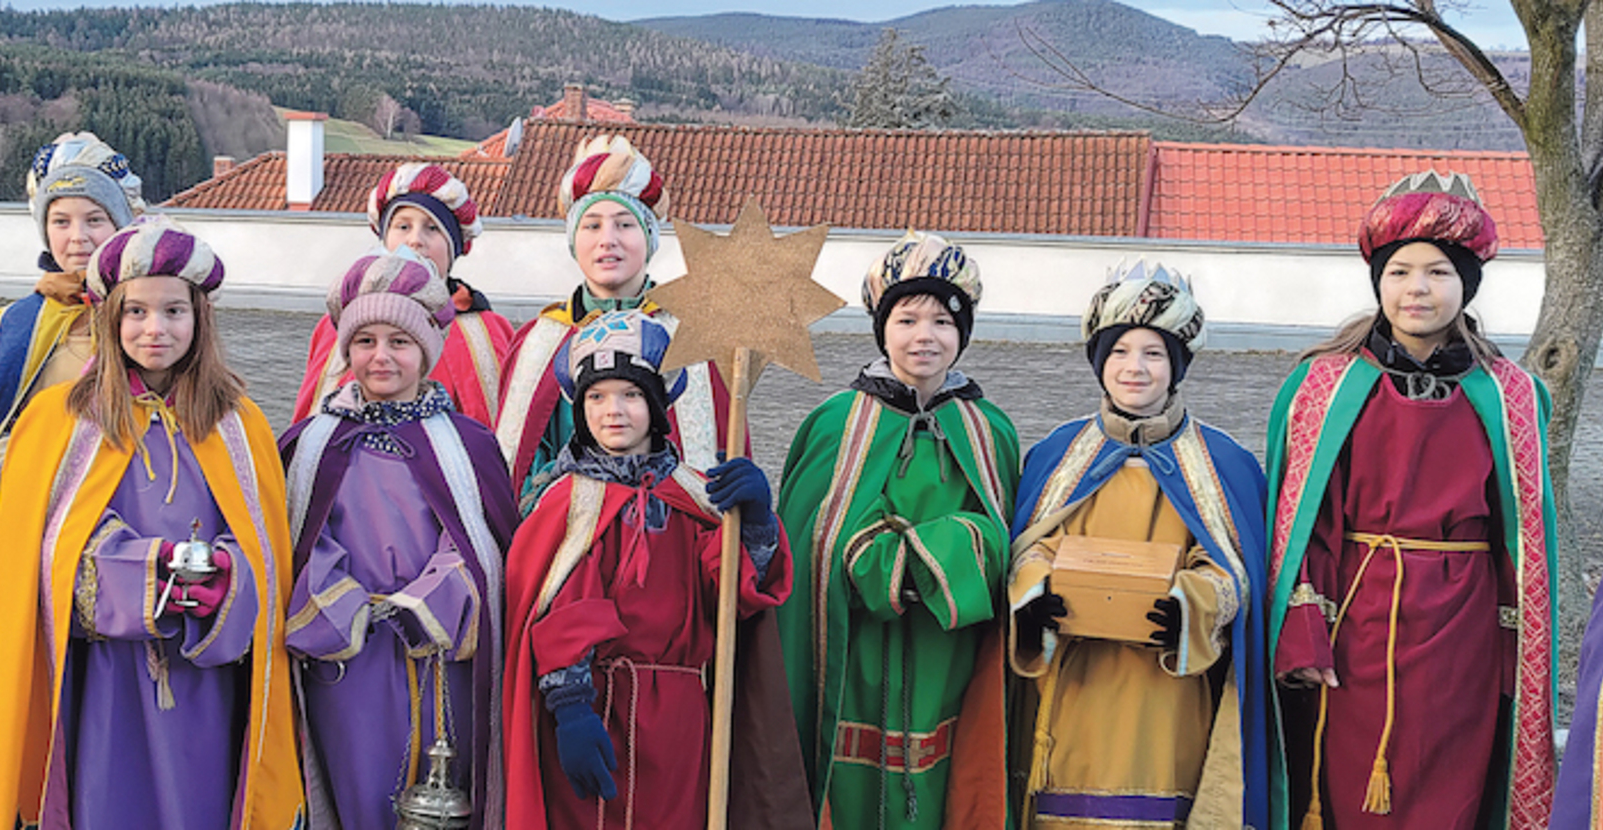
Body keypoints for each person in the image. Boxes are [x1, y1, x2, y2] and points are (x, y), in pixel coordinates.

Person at [0, 218, 304, 829]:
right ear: (110, 319)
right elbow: (39, 558)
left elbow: (266, 554)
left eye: (175, 311)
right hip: (99, 681)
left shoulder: (240, 423)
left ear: (200, 319)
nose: (156, 329)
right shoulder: (57, 421)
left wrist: (225, 577)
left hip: (204, 675)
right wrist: (145, 572)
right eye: (137, 312)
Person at [1268, 171, 1557, 829]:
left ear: (1466, 285)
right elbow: (1303, 523)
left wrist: (1514, 654)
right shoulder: (1322, 387)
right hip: (1355, 626)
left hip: (1465, 634)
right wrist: (1303, 630)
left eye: (1438, 272)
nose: (1417, 288)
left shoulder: (1512, 395)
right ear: (1379, 282)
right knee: (1344, 792)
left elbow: (1522, 542)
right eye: (1399, 272)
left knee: (1452, 792)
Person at [1006, 261, 1274, 828]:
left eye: (1154, 353)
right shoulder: (1055, 453)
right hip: (1072, 681)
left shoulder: (1226, 463)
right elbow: (1031, 545)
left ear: (1177, 365)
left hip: (1166, 691)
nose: (1135, 367)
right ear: (1100, 362)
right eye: (1120, 351)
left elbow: (1236, 571)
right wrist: (1035, 595)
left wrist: (1191, 608)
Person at [502, 311, 793, 829]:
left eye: (631, 395)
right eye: (596, 396)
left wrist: (754, 522)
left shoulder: (696, 498)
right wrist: (570, 706)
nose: (613, 410)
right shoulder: (565, 503)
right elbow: (563, 609)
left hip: (680, 723)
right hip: (593, 712)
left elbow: (734, 596)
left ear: (658, 406)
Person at [775, 233, 1017, 828]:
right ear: (882, 329)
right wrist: (896, 564)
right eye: (906, 319)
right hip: (852, 658)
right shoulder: (833, 423)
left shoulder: (991, 431)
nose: (924, 336)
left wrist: (931, 557)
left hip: (948, 655)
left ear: (963, 332)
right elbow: (812, 546)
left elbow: (1005, 541)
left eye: (942, 321)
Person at [0, 130, 145, 824]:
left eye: (95, 218)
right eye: (61, 220)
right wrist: (45, 482)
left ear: (124, 223)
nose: (77, 236)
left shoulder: (155, 317)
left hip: (135, 562)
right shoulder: (11, 332)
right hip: (40, 561)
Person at [282, 247, 520, 829]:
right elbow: (297, 543)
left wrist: (427, 603)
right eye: (365, 341)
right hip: (347, 657)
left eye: (400, 341)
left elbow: (481, 548)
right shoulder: (308, 444)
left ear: (427, 351)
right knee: (357, 790)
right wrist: (342, 603)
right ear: (346, 350)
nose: (381, 356)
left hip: (442, 652)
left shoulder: (469, 444)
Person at [492, 136, 735, 504]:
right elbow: (521, 461)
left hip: (669, 526)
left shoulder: (694, 338)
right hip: (564, 522)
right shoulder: (539, 339)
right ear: (573, 239)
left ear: (649, 236)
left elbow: (724, 451)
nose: (608, 240)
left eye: (624, 225)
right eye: (592, 226)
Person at [293, 163, 516, 427]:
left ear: (453, 248)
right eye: (402, 226)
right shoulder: (338, 326)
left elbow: (505, 431)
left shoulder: (487, 329)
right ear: (384, 239)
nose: (415, 240)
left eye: (432, 228)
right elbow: (309, 422)